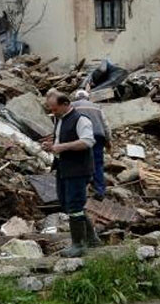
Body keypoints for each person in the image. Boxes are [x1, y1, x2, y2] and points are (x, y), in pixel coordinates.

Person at [42, 90, 102, 256]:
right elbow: (61, 140)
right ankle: (91, 238)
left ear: (65, 104)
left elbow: (87, 141)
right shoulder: (60, 120)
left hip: (78, 168)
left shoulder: (81, 119)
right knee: (68, 203)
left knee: (75, 204)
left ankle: (78, 244)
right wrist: (52, 144)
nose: (53, 112)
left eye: (55, 109)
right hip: (64, 167)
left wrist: (61, 147)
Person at [72, 89, 110, 200]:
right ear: (88, 98)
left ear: (76, 98)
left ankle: (80, 191)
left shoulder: (71, 106)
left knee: (80, 162)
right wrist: (108, 140)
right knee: (98, 163)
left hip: (81, 137)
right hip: (98, 135)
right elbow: (106, 124)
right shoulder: (97, 107)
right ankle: (100, 190)